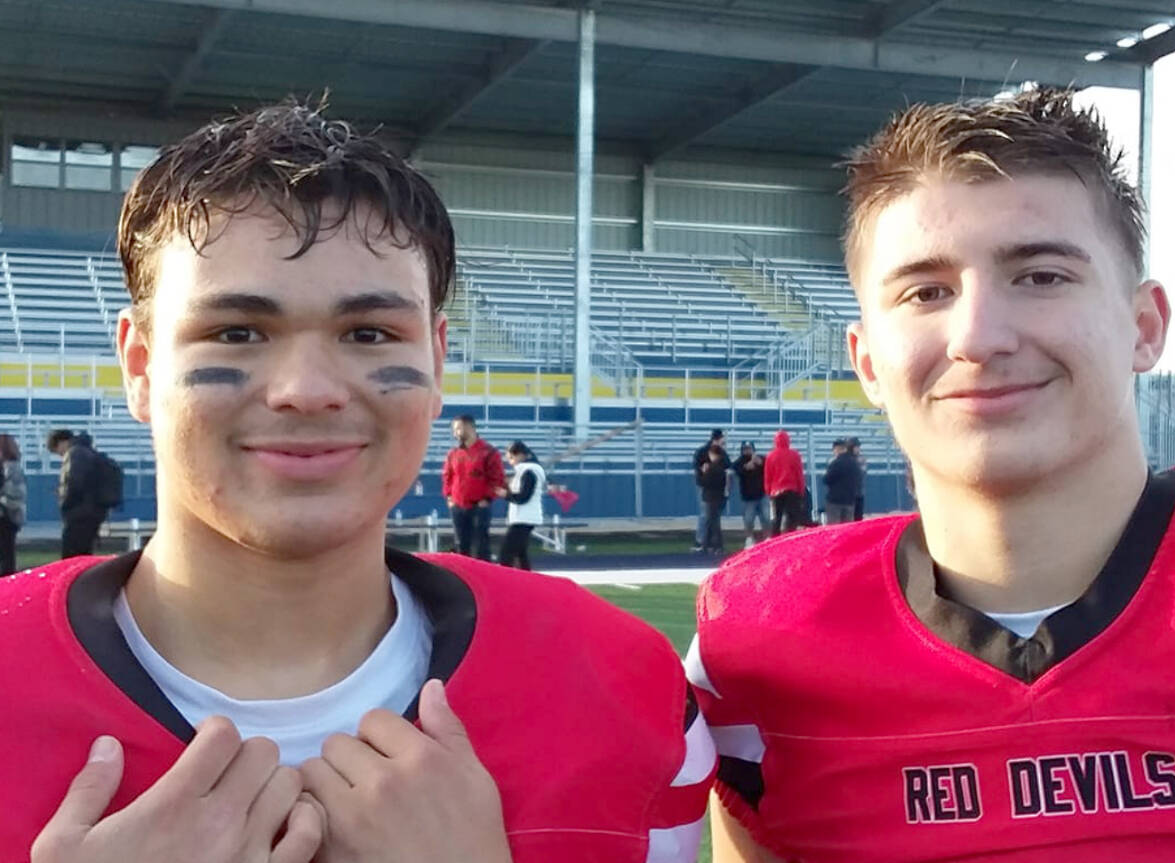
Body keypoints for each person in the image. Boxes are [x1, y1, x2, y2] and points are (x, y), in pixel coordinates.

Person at [0, 101, 711, 862]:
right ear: (140, 366)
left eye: (369, 333)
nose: (306, 389)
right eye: (236, 332)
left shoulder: (619, 685)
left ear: (436, 360)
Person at [689, 87, 1175, 862]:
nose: (977, 336)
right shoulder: (760, 638)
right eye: (926, 292)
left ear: (1144, 327)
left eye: (1040, 276)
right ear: (867, 361)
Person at [442, 414, 504, 561]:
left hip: (479, 506)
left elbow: (497, 478)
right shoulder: (453, 453)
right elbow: (447, 476)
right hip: (458, 505)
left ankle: (483, 578)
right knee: (461, 544)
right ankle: (463, 579)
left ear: (469, 428)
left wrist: (487, 498)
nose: (455, 433)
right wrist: (449, 496)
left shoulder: (488, 452)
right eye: (454, 430)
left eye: (458, 429)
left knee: (480, 544)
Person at [46, 428, 110, 558]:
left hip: (79, 514)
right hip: (91, 511)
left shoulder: (75, 454)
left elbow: (74, 483)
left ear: (62, 442)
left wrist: (64, 499)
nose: (60, 455)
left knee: (72, 555)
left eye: (57, 451)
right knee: (84, 553)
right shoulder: (87, 452)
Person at [494, 441, 545, 571]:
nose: (510, 462)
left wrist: (506, 495)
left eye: (511, 458)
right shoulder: (527, 471)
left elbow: (523, 497)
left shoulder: (528, 472)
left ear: (521, 455)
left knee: (506, 552)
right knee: (520, 553)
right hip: (524, 517)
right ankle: (526, 580)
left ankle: (505, 579)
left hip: (524, 518)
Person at [692, 429, 728, 552]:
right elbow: (698, 468)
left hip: (713, 490)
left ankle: (707, 543)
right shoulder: (706, 453)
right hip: (708, 488)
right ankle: (706, 542)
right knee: (708, 516)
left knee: (710, 516)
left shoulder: (719, 453)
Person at [763, 429, 804, 536]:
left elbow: (768, 475)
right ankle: (789, 538)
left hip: (776, 491)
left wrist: (768, 490)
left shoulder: (770, 456)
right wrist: (801, 490)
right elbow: (799, 473)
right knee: (792, 518)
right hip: (792, 490)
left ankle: (775, 539)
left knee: (776, 518)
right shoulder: (795, 455)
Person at [0, 433, 26, 575]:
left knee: (6, 553)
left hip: (6, 517)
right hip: (8, 516)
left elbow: (14, 494)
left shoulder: (10, 468)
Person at [731, 442, 766, 547]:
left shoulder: (761, 459)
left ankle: (767, 538)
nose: (747, 451)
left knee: (767, 518)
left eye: (749, 449)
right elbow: (736, 470)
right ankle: (749, 538)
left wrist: (761, 463)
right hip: (748, 497)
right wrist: (746, 467)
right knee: (748, 520)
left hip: (762, 494)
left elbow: (770, 467)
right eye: (745, 449)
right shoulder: (739, 462)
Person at [822, 438, 862, 524]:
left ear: (837, 449)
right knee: (847, 529)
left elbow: (826, 479)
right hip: (849, 501)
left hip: (835, 501)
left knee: (834, 528)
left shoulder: (836, 463)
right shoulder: (855, 463)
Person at [848, 436, 867, 520]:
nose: (858, 449)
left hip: (858, 493)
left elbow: (863, 472)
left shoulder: (861, 459)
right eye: (856, 447)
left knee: (858, 517)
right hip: (849, 494)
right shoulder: (847, 459)